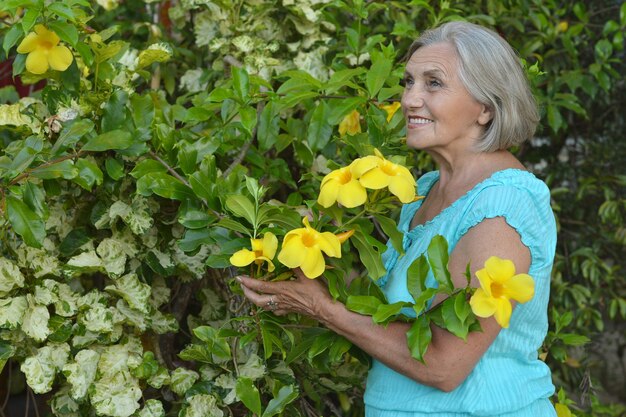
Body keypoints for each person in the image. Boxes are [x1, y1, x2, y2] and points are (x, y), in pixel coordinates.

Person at [238, 21, 557, 417]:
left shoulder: (505, 204)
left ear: (486, 108)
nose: (409, 99)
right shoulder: (422, 191)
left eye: (433, 83)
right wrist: (312, 258)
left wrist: (324, 309)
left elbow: (445, 365)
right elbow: (393, 313)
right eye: (408, 82)